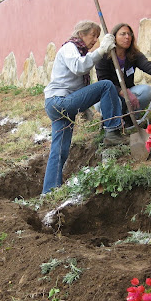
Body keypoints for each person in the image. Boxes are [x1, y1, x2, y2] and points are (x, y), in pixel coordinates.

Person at [42, 20, 122, 194]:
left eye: (97, 37)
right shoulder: (70, 47)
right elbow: (79, 67)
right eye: (93, 35)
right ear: (81, 34)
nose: (95, 40)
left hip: (56, 104)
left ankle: (49, 192)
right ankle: (112, 131)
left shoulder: (79, 52)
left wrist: (84, 108)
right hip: (59, 101)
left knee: (60, 150)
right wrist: (102, 50)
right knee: (106, 85)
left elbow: (77, 87)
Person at [95, 23, 151, 126]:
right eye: (123, 34)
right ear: (114, 37)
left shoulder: (133, 54)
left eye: (129, 34)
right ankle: (111, 121)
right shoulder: (103, 57)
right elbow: (103, 81)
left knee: (146, 91)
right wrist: (123, 92)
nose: (127, 37)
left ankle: (129, 118)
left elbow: (148, 67)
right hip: (109, 94)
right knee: (108, 101)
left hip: (128, 92)